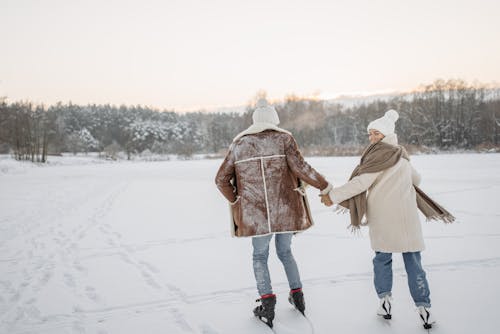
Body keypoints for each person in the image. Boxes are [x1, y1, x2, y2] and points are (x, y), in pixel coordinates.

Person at [321, 109, 454, 330]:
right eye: (370, 134)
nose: (371, 138)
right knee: (414, 263)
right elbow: (417, 179)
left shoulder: (379, 156)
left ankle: (385, 302)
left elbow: (360, 183)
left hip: (384, 218)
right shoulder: (401, 155)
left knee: (382, 260)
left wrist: (332, 196)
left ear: (385, 135)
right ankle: (425, 309)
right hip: (407, 218)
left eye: (375, 134)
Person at [215, 98, 332, 328]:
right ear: (274, 120)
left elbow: (221, 179)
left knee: (260, 257)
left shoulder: (239, 144)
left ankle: (267, 303)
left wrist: (236, 199)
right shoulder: (284, 139)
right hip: (285, 209)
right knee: (285, 252)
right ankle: (298, 296)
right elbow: (302, 168)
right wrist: (324, 185)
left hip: (255, 214)